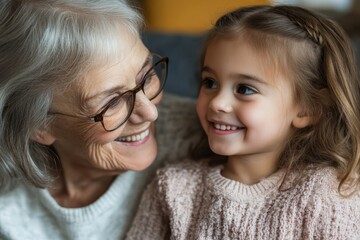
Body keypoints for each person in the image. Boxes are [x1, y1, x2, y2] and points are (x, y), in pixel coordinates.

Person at [126, 5, 360, 239]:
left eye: (245, 89)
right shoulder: (172, 188)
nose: (217, 102)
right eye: (210, 83)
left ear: (308, 109)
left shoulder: (326, 195)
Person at [0, 0, 204, 239]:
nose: (150, 113)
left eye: (147, 76)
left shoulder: (207, 139)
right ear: (38, 124)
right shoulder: (9, 208)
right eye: (112, 102)